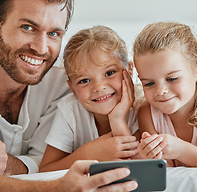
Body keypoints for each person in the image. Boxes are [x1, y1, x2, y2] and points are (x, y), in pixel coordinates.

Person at [0, 0, 137, 191]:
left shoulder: (69, 78)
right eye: (28, 27)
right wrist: (55, 188)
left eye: (53, 33)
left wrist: (8, 164)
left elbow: (43, 161)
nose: (41, 49)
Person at [133, 22, 197, 167]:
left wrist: (182, 151)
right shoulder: (147, 113)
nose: (160, 91)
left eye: (172, 79)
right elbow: (165, 171)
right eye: (149, 83)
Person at [39, 26, 141, 172]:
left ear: (129, 70)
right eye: (84, 80)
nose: (99, 87)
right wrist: (88, 154)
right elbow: (45, 170)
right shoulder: (70, 110)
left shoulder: (142, 105)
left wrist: (117, 120)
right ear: (72, 88)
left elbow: (138, 168)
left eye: (109, 72)